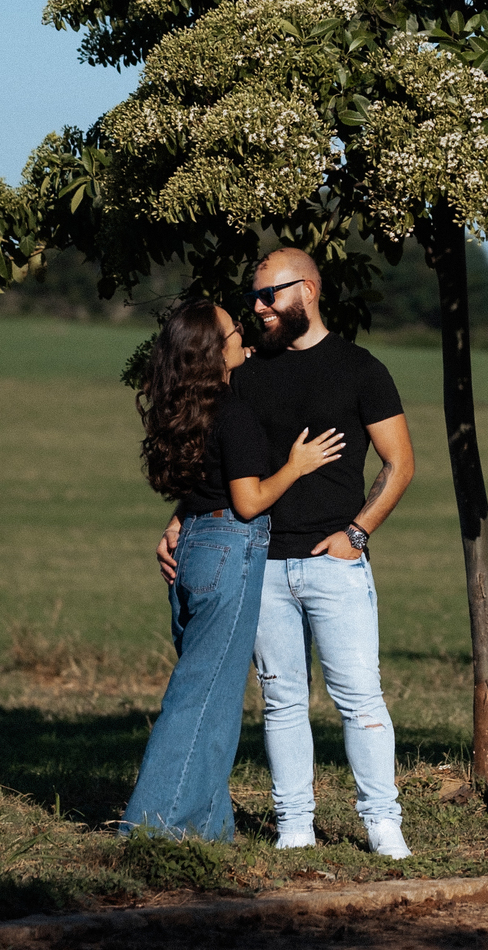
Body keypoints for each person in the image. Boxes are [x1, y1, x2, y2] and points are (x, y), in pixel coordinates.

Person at [157, 250, 416, 860]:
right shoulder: (244, 372)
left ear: (309, 290)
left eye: (270, 296)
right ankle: (293, 826)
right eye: (254, 298)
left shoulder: (361, 369)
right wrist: (178, 521)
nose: (258, 308)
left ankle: (383, 824)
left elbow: (400, 463)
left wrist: (357, 534)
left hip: (336, 563)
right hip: (263, 565)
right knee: (282, 699)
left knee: (360, 697)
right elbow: (224, 464)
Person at [123, 297, 344, 840]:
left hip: (196, 549)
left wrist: (179, 525)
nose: (241, 332)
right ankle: (152, 829)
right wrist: (296, 466)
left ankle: (209, 827)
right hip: (229, 550)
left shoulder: (182, 408)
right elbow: (248, 502)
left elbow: (199, 491)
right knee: (200, 700)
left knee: (212, 698)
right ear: (212, 352)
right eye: (231, 329)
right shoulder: (233, 412)